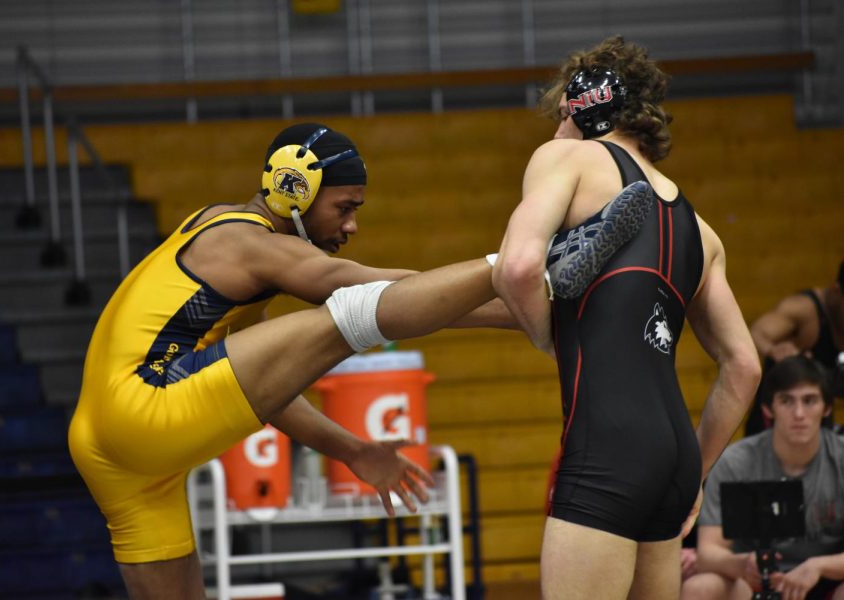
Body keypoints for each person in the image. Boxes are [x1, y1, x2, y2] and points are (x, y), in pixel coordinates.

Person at [68, 123, 514, 599]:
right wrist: (519, 284)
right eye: (343, 209)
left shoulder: (217, 223)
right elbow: (386, 293)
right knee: (353, 313)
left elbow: (266, 390)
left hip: (102, 443)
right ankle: (544, 263)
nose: (351, 226)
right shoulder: (252, 247)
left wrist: (354, 452)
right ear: (294, 192)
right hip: (146, 406)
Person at [492, 36, 762, 600]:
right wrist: (697, 474)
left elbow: (517, 268)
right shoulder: (702, 231)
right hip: (676, 460)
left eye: (563, 114)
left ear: (584, 106)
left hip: (607, 447)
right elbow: (743, 368)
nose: (556, 128)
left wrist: (548, 335)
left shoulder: (567, 158)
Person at [681, 356, 844, 600]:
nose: (799, 413)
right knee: (701, 587)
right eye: (786, 401)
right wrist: (742, 564)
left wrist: (818, 566)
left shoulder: (841, 458)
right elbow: (707, 553)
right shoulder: (735, 462)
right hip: (753, 582)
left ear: (827, 408)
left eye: (809, 401)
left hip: (825, 580)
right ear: (768, 409)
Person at [745, 261, 844, 435]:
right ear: (836, 291)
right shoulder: (804, 310)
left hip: (818, 429)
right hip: (774, 429)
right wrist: (773, 350)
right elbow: (757, 332)